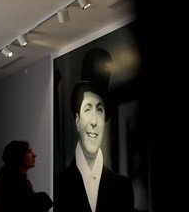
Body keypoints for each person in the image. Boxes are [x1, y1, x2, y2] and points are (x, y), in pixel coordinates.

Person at [54, 48, 134, 212]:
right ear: (77, 121)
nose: (93, 122)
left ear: (104, 122)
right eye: (87, 109)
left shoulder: (123, 188)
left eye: (99, 110)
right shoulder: (59, 185)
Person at [0, 140, 53, 212]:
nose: (34, 155)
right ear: (18, 156)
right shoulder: (13, 185)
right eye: (28, 152)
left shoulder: (15, 182)